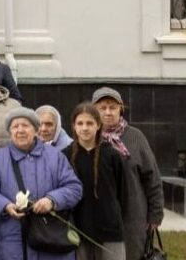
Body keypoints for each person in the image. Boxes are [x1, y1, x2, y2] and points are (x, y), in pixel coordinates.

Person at [0, 108, 83, 260]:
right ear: (10, 132)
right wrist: (5, 205)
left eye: (25, 125)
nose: (20, 130)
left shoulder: (55, 156)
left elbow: (74, 188)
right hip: (12, 239)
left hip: (50, 240)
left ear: (36, 130)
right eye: (15, 126)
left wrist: (51, 200)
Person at [92, 87, 163, 260]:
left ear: (121, 109)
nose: (108, 112)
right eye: (102, 108)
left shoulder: (135, 137)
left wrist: (155, 214)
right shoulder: (89, 138)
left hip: (133, 216)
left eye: (113, 107)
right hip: (99, 217)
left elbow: (152, 177)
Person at [64, 102, 127, 260]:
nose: (84, 128)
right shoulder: (64, 156)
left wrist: (116, 219)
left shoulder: (112, 155)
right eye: (80, 123)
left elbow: (123, 194)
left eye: (90, 123)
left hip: (110, 232)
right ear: (73, 126)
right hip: (78, 231)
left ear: (98, 125)